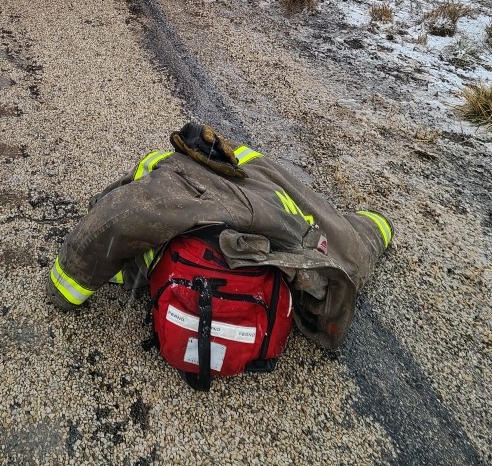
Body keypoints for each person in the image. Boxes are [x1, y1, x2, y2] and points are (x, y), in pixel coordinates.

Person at [46, 122, 393, 350]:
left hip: (269, 230)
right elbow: (352, 240)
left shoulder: (167, 180)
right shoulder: (258, 173)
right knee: (349, 236)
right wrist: (380, 226)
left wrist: (64, 291)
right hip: (293, 232)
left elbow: (112, 220)